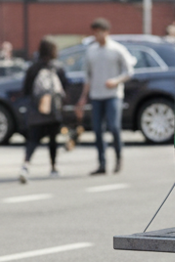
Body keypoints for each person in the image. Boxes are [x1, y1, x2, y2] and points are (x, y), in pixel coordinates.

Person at [75, 18, 134, 175]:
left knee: (114, 127)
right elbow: (87, 76)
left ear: (106, 32)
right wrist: (83, 97)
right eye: (94, 32)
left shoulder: (117, 49)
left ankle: (118, 158)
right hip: (96, 95)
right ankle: (102, 163)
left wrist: (116, 81)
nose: (96, 35)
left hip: (113, 95)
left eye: (99, 32)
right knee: (97, 130)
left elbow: (129, 71)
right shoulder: (91, 51)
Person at [19, 38, 68, 183]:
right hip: (54, 110)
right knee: (53, 140)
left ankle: (25, 165)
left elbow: (26, 89)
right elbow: (65, 88)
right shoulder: (57, 67)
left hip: (36, 110)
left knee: (33, 140)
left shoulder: (33, 68)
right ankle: (53, 167)